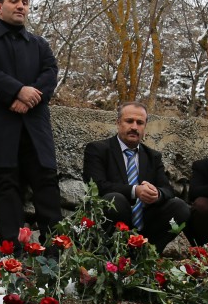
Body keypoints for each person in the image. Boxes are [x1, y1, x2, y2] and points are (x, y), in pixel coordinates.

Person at [0, 0, 61, 246]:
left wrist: (28, 100)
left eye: (25, 2)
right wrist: (17, 91)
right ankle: (13, 260)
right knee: (6, 187)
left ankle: (55, 252)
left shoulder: (39, 44)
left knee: (46, 185)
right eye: (14, 1)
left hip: (34, 129)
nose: (21, 6)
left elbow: (50, 74)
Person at [80, 101, 189, 251]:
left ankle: (148, 252)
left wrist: (156, 194)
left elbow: (168, 190)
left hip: (146, 224)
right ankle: (114, 251)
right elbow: (96, 186)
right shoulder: (98, 149)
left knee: (180, 207)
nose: (134, 127)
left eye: (140, 123)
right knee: (115, 200)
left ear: (145, 126)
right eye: (129, 121)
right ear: (118, 123)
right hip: (112, 221)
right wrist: (135, 190)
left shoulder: (153, 156)